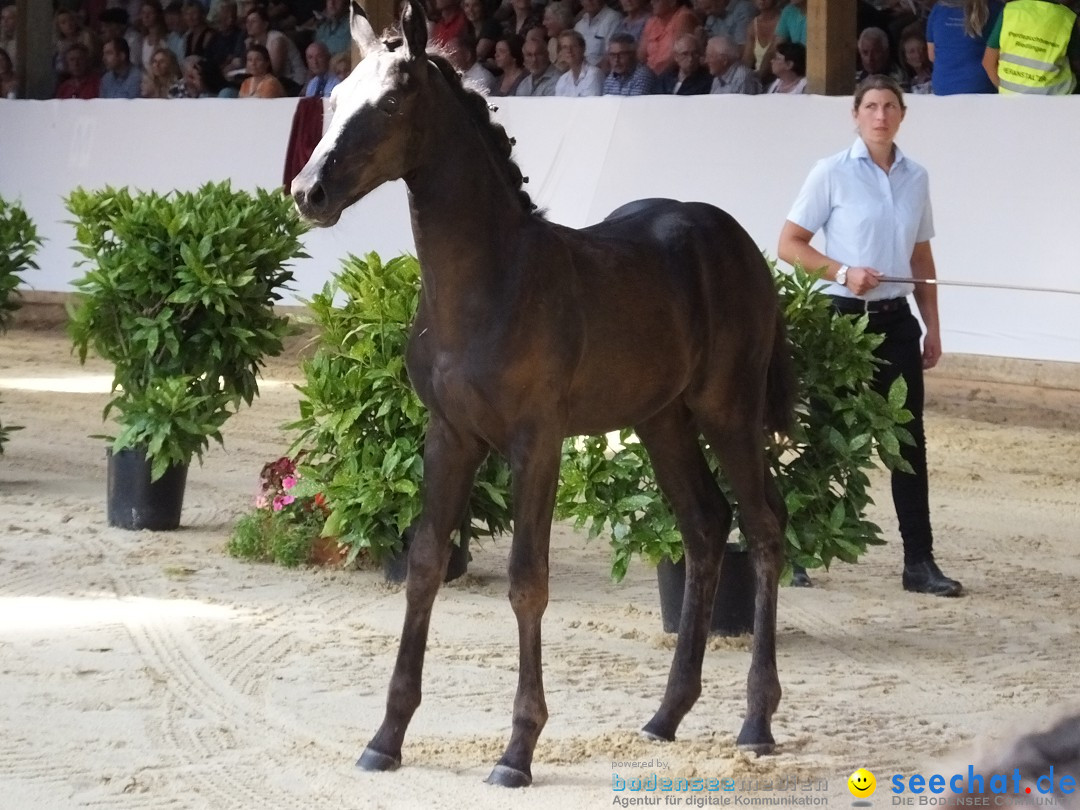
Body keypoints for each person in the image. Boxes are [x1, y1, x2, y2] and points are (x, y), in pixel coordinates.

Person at [777, 74, 963, 599]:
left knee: (908, 442)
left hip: (897, 319)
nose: (880, 115)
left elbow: (921, 257)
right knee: (828, 431)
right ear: (856, 115)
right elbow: (789, 243)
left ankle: (919, 561)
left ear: (902, 114)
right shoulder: (831, 172)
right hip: (843, 320)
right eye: (871, 106)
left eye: (889, 106)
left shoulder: (917, 176)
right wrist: (842, 272)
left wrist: (932, 326)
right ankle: (795, 548)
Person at [982, 0, 1078, 95]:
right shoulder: (1068, 18)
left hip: (1010, 98)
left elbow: (988, 63)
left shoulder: (1009, 11)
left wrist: (1007, 92)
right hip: (1054, 97)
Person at [925, 0, 1002, 95]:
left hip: (943, 88)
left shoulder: (938, 9)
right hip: (981, 88)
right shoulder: (996, 8)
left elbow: (932, 56)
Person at [639, 0, 698, 75]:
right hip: (649, 75)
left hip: (671, 75)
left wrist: (654, 77)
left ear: (672, 2)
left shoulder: (684, 17)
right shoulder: (652, 21)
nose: (651, 2)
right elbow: (641, 55)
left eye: (657, 1)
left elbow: (677, 57)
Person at [574, 0, 623, 69]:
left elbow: (610, 57)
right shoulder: (579, 26)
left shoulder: (613, 18)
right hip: (580, 75)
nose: (589, 1)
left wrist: (590, 74)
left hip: (600, 75)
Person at [554, 29, 603, 95]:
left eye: (574, 46)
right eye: (565, 47)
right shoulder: (562, 80)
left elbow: (591, 104)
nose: (569, 51)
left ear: (583, 48)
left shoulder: (593, 74)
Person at [744, 0, 781, 83]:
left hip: (778, 79)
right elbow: (747, 60)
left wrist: (757, 79)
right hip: (757, 79)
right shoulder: (752, 26)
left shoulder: (783, 21)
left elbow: (772, 53)